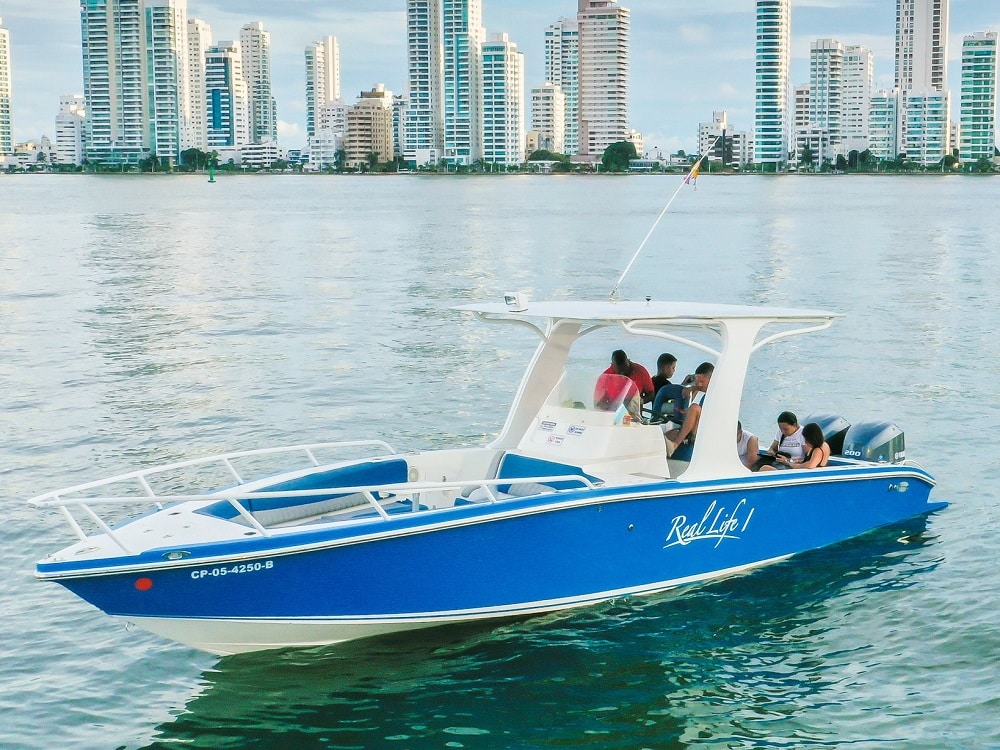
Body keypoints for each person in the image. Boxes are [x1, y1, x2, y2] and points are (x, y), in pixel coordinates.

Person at [665, 361, 714, 455]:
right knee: (671, 433)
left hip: (707, 431)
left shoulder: (718, 393)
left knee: (694, 408)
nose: (699, 384)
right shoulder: (704, 392)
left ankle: (675, 444)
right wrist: (692, 388)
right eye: (697, 381)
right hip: (697, 428)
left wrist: (693, 388)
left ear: (712, 379)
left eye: (702, 382)